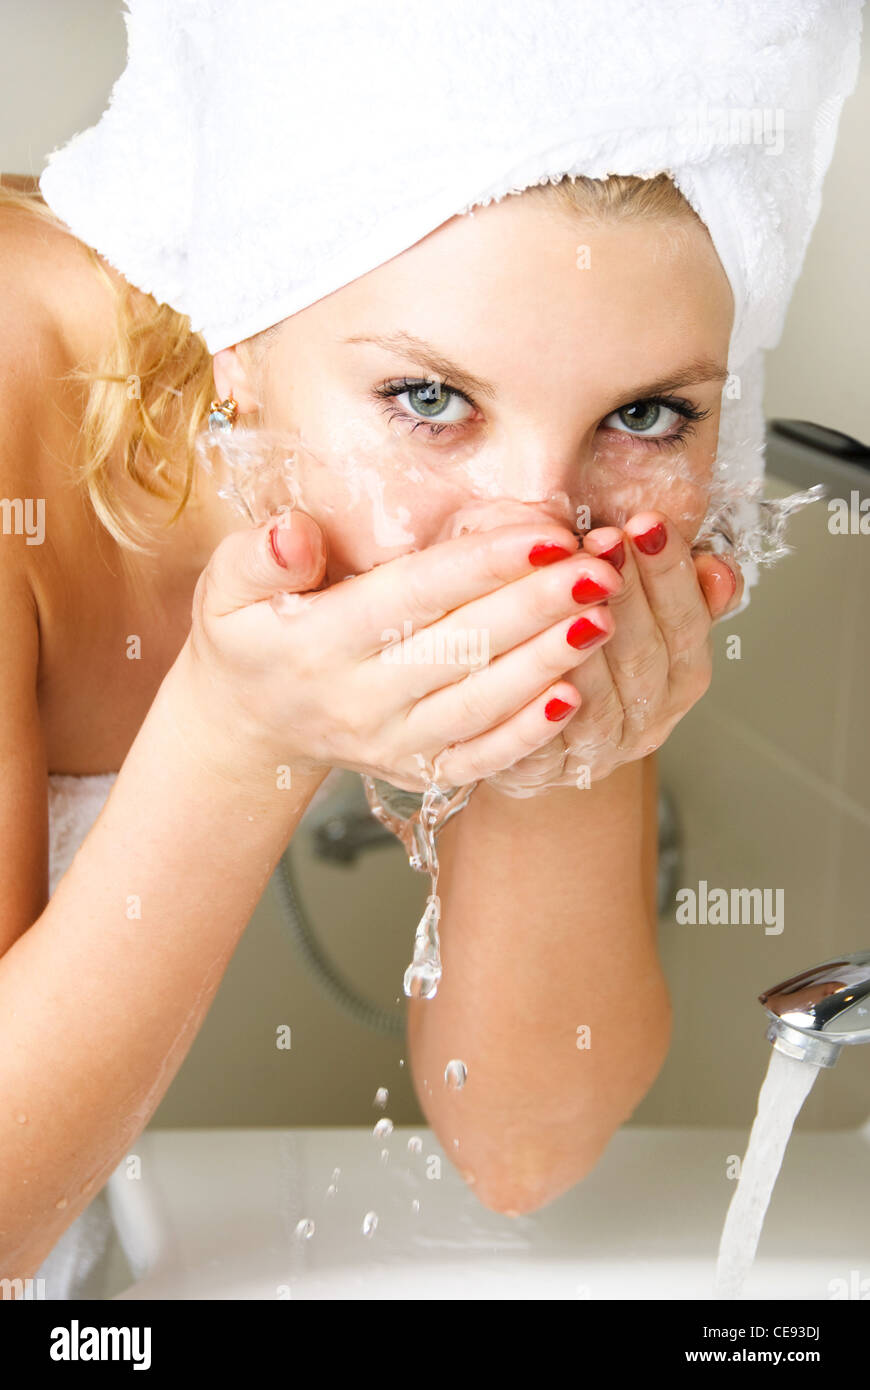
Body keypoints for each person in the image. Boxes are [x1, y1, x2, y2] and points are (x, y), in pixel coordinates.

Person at [0, 163, 745, 1293]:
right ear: (234, 336)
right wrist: (234, 737)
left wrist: (565, 751)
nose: (528, 525)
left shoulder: (575, 520)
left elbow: (525, 1150)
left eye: (645, 415)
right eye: (432, 400)